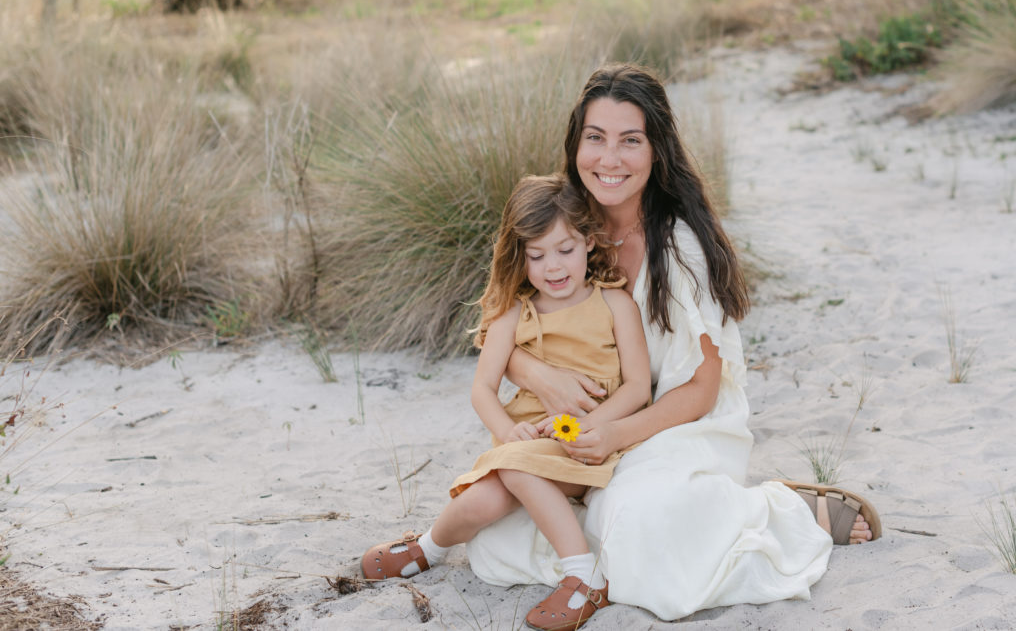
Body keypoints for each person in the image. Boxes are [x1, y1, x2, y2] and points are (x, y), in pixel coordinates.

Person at [461, 63, 882, 623]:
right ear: (576, 143)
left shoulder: (681, 247)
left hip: (672, 422)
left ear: (656, 150)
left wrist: (612, 433)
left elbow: (702, 391)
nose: (609, 160)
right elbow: (500, 322)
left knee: (641, 539)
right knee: (495, 542)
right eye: (596, 138)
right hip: (582, 427)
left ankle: (778, 508)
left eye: (630, 141)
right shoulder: (564, 227)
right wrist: (539, 376)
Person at [361, 175, 652, 631]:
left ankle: (583, 576)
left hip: (584, 441)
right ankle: (429, 549)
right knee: (481, 502)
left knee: (517, 469)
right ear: (520, 256)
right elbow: (482, 389)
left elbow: (638, 388)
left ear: (589, 243)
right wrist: (509, 429)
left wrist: (585, 425)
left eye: (565, 250)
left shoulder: (614, 304)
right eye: (536, 256)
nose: (553, 267)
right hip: (524, 440)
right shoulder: (515, 312)